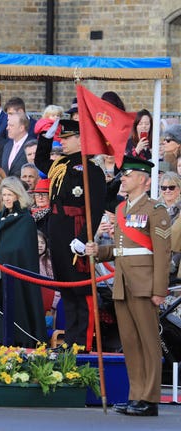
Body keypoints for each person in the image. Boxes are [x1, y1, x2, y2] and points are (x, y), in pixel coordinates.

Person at [85, 157, 170, 417]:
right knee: (130, 343)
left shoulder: (155, 209)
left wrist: (159, 290)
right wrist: (99, 251)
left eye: (129, 174)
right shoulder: (122, 210)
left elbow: (162, 252)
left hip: (145, 284)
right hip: (122, 282)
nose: (123, 178)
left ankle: (150, 397)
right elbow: (123, 250)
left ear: (143, 180)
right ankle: (135, 395)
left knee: (148, 342)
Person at [34, 119, 106, 350]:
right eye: (61, 138)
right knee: (65, 284)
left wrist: (85, 237)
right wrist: (45, 139)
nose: (62, 142)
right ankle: (71, 340)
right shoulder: (60, 164)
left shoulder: (91, 170)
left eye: (67, 138)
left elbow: (94, 208)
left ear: (80, 139)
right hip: (58, 228)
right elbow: (40, 161)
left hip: (76, 229)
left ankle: (82, 341)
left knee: (80, 286)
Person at [0, 176, 46, 347]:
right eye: (4, 194)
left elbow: (23, 251)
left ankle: (23, 340)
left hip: (18, 276)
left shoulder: (26, 220)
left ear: (18, 195)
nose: (6, 198)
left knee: (19, 309)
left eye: (10, 194)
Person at [1, 113, 30, 178]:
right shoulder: (7, 146)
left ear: (21, 128)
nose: (7, 128)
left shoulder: (32, 145)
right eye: (7, 125)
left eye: (11, 125)